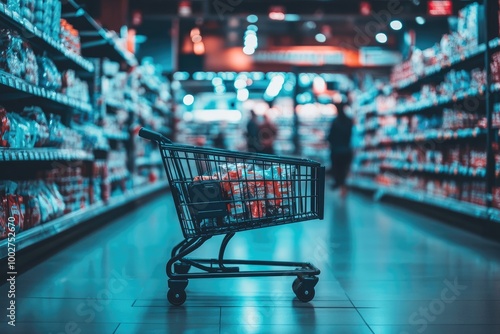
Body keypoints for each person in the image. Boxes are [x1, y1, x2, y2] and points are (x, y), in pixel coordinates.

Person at [327, 101, 353, 197]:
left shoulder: (335, 121)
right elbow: (350, 135)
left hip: (336, 151)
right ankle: (343, 187)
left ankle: (338, 184)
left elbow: (330, 136)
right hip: (346, 150)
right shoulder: (349, 121)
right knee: (344, 170)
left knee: (337, 169)